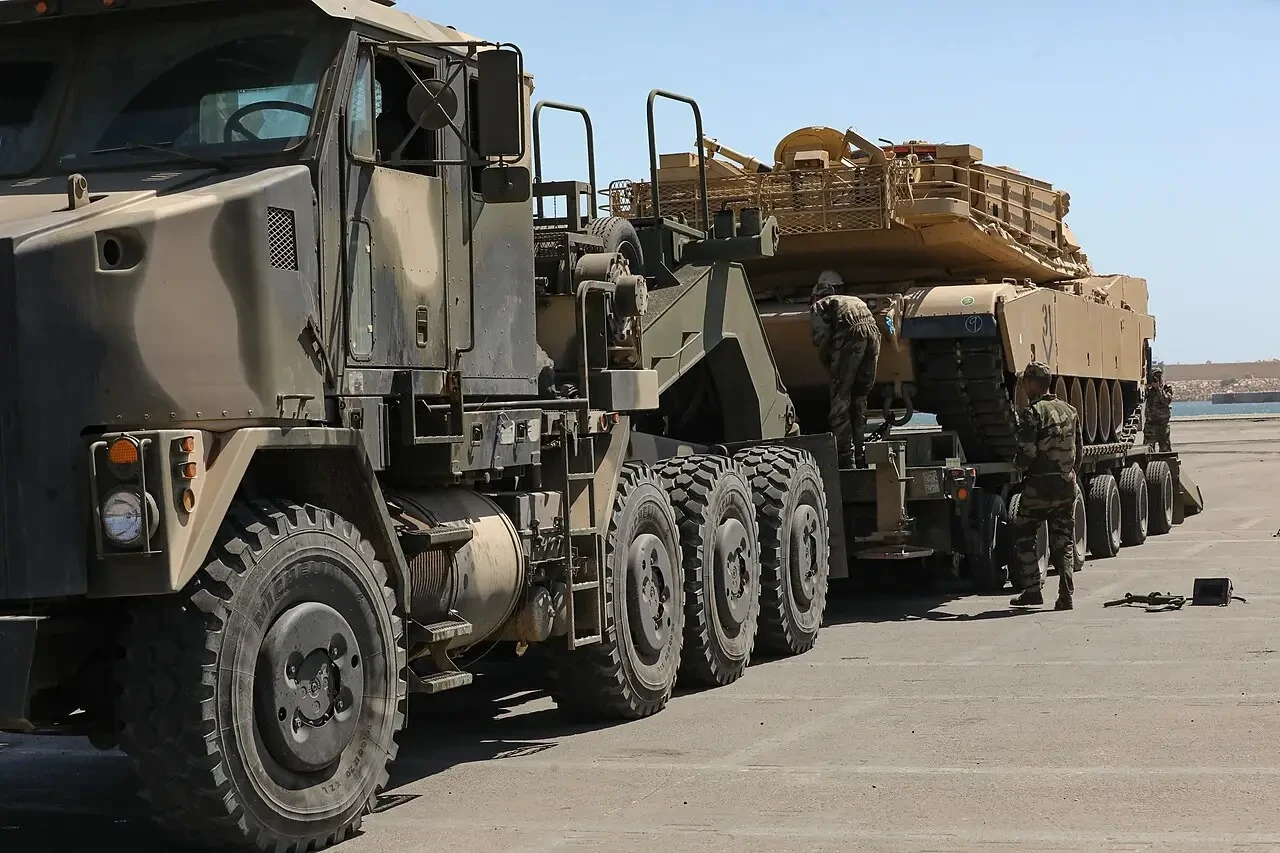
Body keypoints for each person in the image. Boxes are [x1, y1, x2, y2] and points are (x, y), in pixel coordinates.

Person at [1009, 361, 1083, 611]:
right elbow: (1079, 452)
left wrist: (1018, 465)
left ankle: (1032, 590)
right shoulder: (1070, 410)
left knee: (1024, 532)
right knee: (1064, 540)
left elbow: (1027, 453)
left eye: (1025, 382)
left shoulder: (1033, 412)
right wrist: (1068, 475)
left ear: (1032, 383)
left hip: (1039, 487)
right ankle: (1066, 595)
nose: (1023, 387)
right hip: (1066, 485)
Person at [810, 270, 881, 469]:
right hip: (872, 332)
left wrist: (831, 367)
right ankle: (860, 453)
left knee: (840, 399)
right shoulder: (853, 299)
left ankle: (845, 458)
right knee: (859, 398)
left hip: (850, 334)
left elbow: (822, 339)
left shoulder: (819, 305)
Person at [1144, 367, 1174, 452]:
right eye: (1155, 376)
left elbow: (1166, 400)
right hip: (1151, 425)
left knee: (1165, 451)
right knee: (1147, 451)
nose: (1158, 379)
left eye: (1159, 376)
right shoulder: (1148, 389)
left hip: (1162, 425)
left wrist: (1158, 389)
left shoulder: (1166, 388)